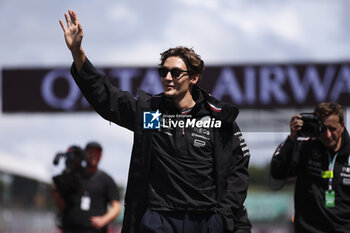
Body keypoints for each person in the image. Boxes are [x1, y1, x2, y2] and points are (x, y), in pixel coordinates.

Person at [59, 10, 251, 233]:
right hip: (158, 219)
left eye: (176, 72)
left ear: (194, 78)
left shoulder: (219, 117)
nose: (168, 78)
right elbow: (106, 97)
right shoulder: (150, 111)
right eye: (164, 71)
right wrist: (77, 52)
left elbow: (239, 168)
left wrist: (224, 215)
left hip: (205, 220)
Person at [270, 102, 350, 233]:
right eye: (323, 129)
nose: (328, 135)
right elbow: (276, 175)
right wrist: (291, 140)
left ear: (342, 125)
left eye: (332, 129)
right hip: (308, 229)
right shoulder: (303, 147)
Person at [52, 142, 121, 233]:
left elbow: (116, 206)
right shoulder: (74, 177)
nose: (93, 155)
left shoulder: (106, 180)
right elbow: (63, 206)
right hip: (70, 229)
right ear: (84, 154)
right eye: (90, 152)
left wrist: (103, 220)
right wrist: (57, 195)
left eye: (96, 153)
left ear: (100, 156)